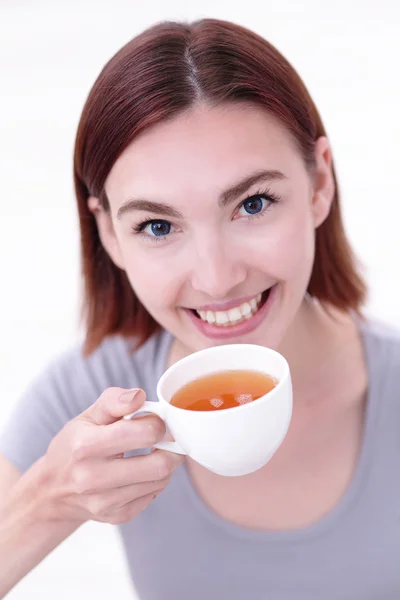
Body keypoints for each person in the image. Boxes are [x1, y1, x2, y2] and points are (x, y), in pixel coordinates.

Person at [0, 17, 399, 600]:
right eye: (157, 225)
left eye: (254, 203)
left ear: (318, 184)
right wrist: (45, 504)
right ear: (110, 234)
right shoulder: (83, 398)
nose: (216, 279)